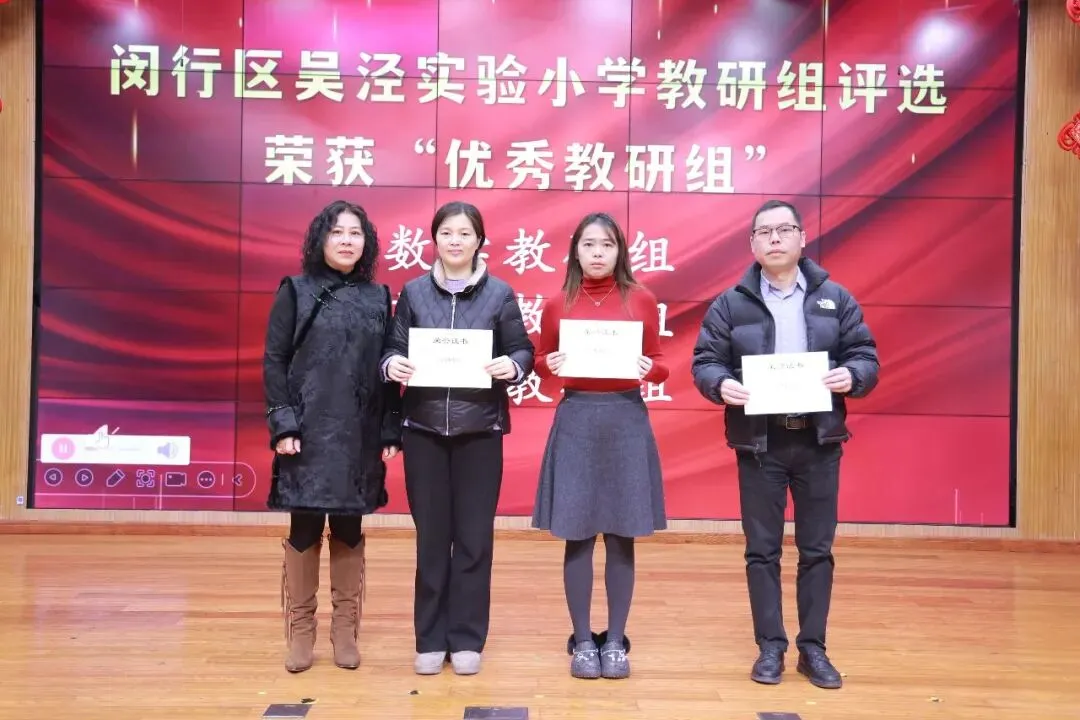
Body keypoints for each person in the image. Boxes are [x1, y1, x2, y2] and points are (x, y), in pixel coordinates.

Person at [690, 199, 879, 690]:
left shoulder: (834, 297)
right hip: (760, 443)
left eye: (784, 230)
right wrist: (719, 384)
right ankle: (770, 646)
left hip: (818, 440)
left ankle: (813, 649)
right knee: (762, 551)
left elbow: (865, 354)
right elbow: (706, 361)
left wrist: (853, 375)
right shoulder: (731, 303)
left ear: (801, 238)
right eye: (764, 232)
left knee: (817, 550)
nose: (774, 239)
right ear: (752, 243)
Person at [381, 200, 535, 676]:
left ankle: (467, 638)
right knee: (431, 538)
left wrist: (512, 366)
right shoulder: (413, 292)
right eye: (447, 232)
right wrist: (392, 364)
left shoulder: (500, 294)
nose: (455, 241)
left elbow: (522, 351)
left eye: (465, 233)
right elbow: (392, 347)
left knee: (473, 539)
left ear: (479, 241)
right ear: (434, 239)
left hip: (480, 431)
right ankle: (429, 638)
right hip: (423, 430)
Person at [262, 199, 403, 673]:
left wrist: (389, 427)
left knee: (349, 528)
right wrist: (283, 423)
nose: (346, 240)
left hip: (358, 433)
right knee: (303, 529)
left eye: (355, 233)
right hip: (305, 432)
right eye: (337, 232)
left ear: (367, 243)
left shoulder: (379, 297)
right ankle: (301, 632)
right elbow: (274, 360)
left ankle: (345, 631)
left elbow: (388, 368)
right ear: (320, 239)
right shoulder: (296, 290)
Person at [531, 212, 669, 680]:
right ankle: (583, 642)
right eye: (588, 244)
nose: (597, 252)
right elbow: (539, 360)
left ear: (619, 251)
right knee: (578, 533)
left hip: (626, 417)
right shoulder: (558, 303)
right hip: (577, 419)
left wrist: (651, 369)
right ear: (575, 251)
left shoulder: (642, 299)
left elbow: (661, 363)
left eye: (606, 244)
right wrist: (548, 363)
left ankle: (615, 642)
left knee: (622, 534)